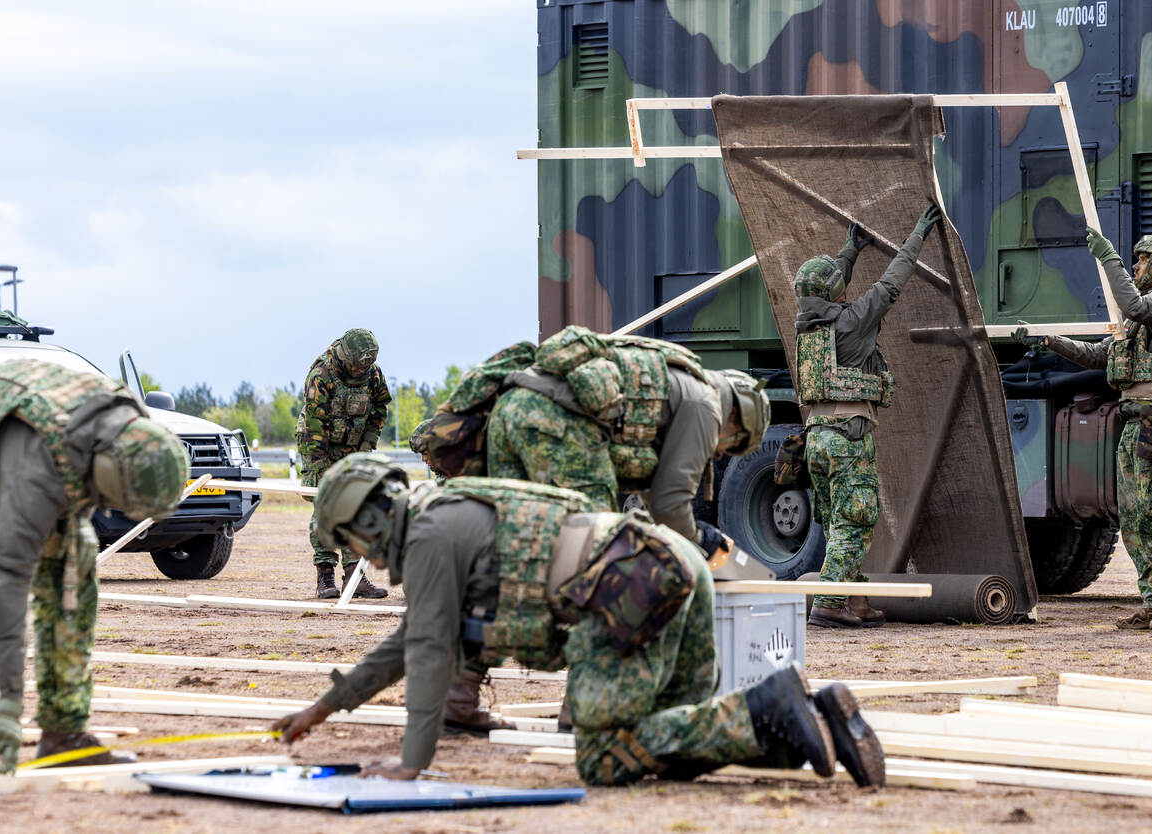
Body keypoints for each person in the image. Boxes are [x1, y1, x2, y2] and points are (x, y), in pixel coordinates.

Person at [273, 453, 886, 788]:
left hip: (628, 590)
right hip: (671, 565)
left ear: (370, 521)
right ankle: (813, 724)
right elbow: (406, 642)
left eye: (349, 540)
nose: (359, 554)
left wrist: (411, 762)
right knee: (663, 738)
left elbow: (430, 651)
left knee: (602, 759)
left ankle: (772, 708)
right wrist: (321, 710)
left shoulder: (430, 537)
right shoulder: (445, 513)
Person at [0, 359, 187, 773]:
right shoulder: (36, 471)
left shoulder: (131, 428)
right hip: (19, 454)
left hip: (53, 452)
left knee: (74, 570)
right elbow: (5, 590)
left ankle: (63, 733)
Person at [1015, 231, 1152, 631]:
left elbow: (1131, 303)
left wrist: (1109, 259)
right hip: (1136, 423)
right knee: (1134, 521)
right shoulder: (1141, 325)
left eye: (1141, 260)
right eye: (1132, 262)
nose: (1135, 268)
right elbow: (1098, 356)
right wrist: (1048, 340)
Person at [488, 333, 770, 554]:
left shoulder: (680, 381)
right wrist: (699, 540)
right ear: (735, 415)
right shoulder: (706, 405)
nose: (720, 452)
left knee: (512, 535)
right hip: (555, 421)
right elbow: (669, 504)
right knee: (592, 546)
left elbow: (653, 495)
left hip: (507, 407)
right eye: (732, 444)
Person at [797, 205, 943, 629]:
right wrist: (916, 236)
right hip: (847, 437)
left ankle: (856, 601)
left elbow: (824, 286)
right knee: (855, 518)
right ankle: (827, 604)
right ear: (837, 293)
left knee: (839, 523)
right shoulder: (852, 323)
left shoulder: (807, 325)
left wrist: (850, 251)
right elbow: (891, 284)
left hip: (817, 439)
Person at [297, 328, 392, 600]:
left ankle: (355, 576)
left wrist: (365, 448)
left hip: (354, 445)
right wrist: (321, 466)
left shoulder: (373, 374)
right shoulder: (322, 375)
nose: (359, 370)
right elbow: (315, 427)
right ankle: (325, 576)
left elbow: (379, 410)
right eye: (356, 365)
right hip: (319, 444)